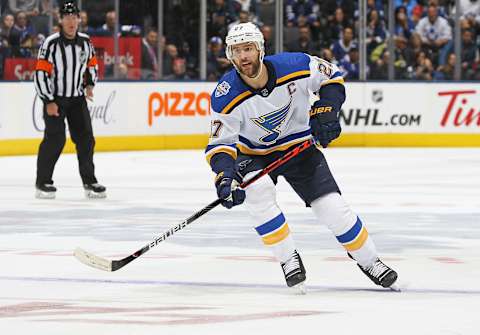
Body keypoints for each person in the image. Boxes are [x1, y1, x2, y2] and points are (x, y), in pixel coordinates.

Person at [205, 22, 398, 291]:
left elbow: (331, 77)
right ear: (229, 55)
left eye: (248, 48)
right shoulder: (225, 94)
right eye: (237, 51)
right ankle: (288, 259)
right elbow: (220, 144)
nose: (243, 57)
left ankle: (370, 261)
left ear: (260, 49)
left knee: (332, 207)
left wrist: (327, 109)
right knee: (258, 192)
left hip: (299, 147)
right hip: (254, 155)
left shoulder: (294, 65)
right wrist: (225, 177)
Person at [33, 1, 106, 199]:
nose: (71, 21)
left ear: (79, 20)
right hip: (56, 98)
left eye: (74, 17)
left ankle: (89, 181)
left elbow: (92, 64)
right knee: (55, 140)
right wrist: (48, 100)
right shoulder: (50, 43)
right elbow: (40, 73)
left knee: (86, 140)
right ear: (60, 20)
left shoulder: (85, 41)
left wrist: (90, 84)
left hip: (77, 99)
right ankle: (43, 182)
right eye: (67, 17)